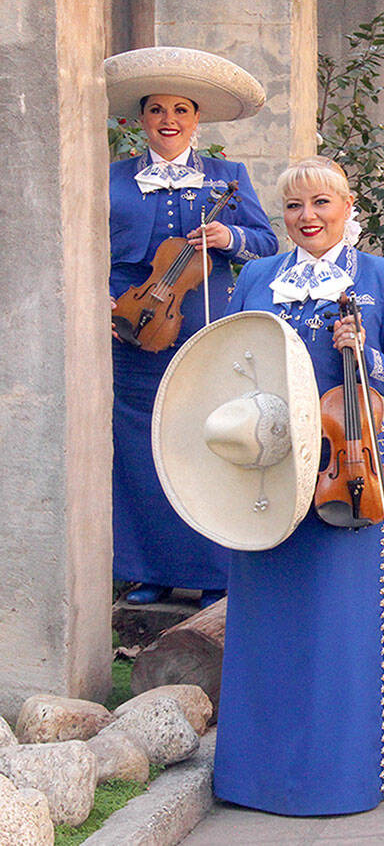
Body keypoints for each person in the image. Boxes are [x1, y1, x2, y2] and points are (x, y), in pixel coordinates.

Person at [216, 155, 384, 814]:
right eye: (293, 207)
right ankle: (257, 776)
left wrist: (365, 353)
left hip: (351, 469)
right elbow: (229, 363)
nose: (307, 217)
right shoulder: (255, 275)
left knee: (345, 625)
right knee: (267, 621)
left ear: (346, 207)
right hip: (271, 466)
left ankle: (347, 774)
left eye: (321, 204)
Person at [104, 47, 278, 608]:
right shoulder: (114, 179)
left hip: (207, 325)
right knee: (138, 448)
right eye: (157, 110)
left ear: (196, 119)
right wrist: (105, 303)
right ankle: (147, 569)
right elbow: (86, 249)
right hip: (133, 331)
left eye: (181, 110)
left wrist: (230, 239)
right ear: (141, 120)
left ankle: (213, 572)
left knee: (207, 441)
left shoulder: (227, 177)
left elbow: (268, 241)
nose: (169, 120)